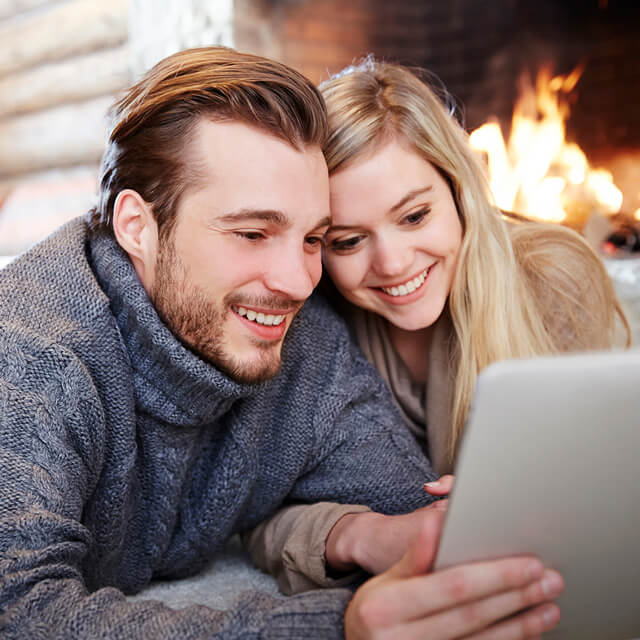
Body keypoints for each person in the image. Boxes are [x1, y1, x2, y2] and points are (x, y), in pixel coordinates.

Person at [0, 47, 564, 640]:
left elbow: (399, 507)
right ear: (137, 226)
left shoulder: (302, 336)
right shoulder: (30, 353)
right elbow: (18, 611)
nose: (296, 283)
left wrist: (424, 538)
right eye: (252, 232)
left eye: (315, 238)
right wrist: (339, 628)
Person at [246, 58, 630, 634]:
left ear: (459, 189)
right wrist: (361, 534)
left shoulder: (552, 279)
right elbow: (255, 515)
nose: (394, 263)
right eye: (349, 241)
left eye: (415, 215)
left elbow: (613, 473)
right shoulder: (313, 326)